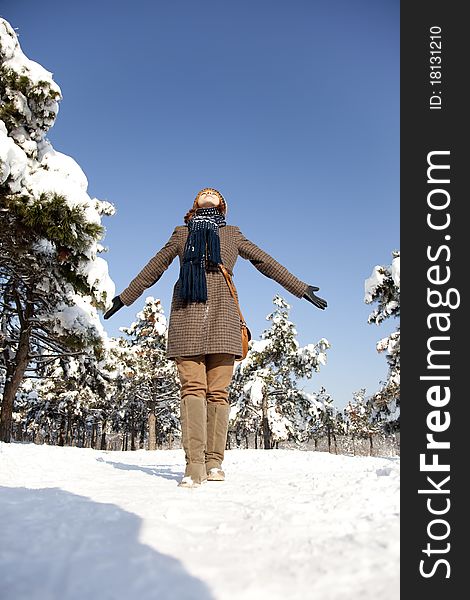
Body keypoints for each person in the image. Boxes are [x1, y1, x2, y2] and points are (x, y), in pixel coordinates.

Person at [104, 187, 327, 488]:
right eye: (203, 192)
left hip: (223, 320)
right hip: (187, 318)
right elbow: (154, 268)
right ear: (194, 205)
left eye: (214, 193)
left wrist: (299, 288)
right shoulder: (181, 235)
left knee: (218, 393)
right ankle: (194, 465)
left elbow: (266, 263)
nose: (208, 192)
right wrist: (125, 297)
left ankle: (214, 463)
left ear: (222, 207)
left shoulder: (232, 235)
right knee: (193, 389)